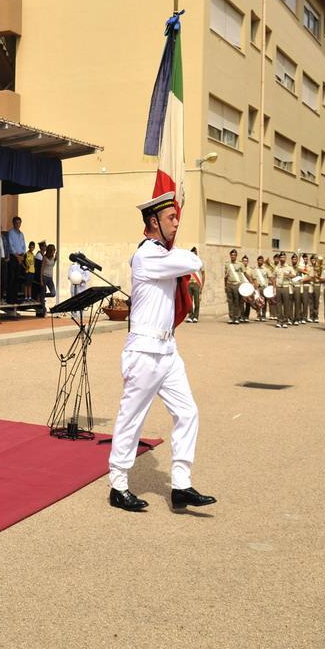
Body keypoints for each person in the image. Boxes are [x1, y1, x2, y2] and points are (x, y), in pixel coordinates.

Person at [107, 192, 215, 513]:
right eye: (171, 218)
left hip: (167, 349)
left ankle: (181, 484)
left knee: (187, 412)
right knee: (132, 418)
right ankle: (118, 484)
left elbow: (188, 261)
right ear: (153, 222)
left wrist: (185, 254)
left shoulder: (164, 254)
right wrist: (189, 255)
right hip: (144, 350)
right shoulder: (147, 256)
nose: (177, 222)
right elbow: (193, 261)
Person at [272, 252, 296, 329]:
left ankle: (285, 321)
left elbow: (294, 275)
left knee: (286, 305)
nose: (282, 259)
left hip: (286, 287)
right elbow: (274, 278)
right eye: (281, 257)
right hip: (279, 287)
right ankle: (279, 321)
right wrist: (274, 288)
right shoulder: (277, 268)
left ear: (285, 258)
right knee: (278, 305)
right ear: (279, 259)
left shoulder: (289, 267)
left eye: (283, 257)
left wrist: (289, 275)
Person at [6, 216, 26, 302]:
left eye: (19, 223)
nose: (18, 224)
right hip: (13, 257)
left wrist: (22, 255)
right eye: (16, 223)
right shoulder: (10, 233)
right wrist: (17, 256)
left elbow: (23, 245)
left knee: (17, 278)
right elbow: (10, 245)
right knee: (12, 277)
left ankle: (15, 297)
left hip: (20, 257)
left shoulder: (21, 234)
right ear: (13, 223)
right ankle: (10, 298)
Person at [223, 249, 244, 325]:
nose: (233, 256)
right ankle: (231, 317)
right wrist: (225, 286)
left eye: (234, 255)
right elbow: (225, 276)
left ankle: (237, 317)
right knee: (230, 302)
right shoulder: (227, 264)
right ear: (230, 256)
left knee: (237, 302)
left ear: (236, 256)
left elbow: (244, 274)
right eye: (232, 255)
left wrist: (249, 282)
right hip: (229, 284)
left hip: (237, 284)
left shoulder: (240, 264)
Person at [186, 246, 203, 323]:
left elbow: (203, 274)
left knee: (197, 301)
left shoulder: (200, 263)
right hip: (189, 284)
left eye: (195, 254)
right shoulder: (188, 263)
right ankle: (190, 315)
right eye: (192, 254)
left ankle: (196, 316)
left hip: (196, 284)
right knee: (189, 301)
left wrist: (202, 286)